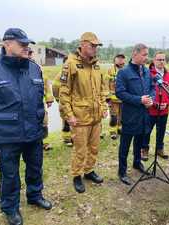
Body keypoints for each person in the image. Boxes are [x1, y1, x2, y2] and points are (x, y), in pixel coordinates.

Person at [0, 28, 52, 225]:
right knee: (9, 174)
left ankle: (34, 195)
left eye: (28, 44)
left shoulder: (34, 68)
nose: (27, 47)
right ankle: (10, 207)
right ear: (7, 44)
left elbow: (38, 97)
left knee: (35, 167)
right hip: (7, 135)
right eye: (22, 44)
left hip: (33, 131)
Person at [59, 32, 108, 193]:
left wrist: (103, 107)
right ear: (83, 44)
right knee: (80, 149)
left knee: (94, 147)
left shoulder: (97, 65)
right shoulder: (71, 64)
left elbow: (102, 89)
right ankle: (77, 175)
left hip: (95, 116)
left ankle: (89, 171)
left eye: (96, 46)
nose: (95, 49)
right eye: (93, 45)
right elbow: (64, 93)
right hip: (79, 118)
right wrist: (69, 115)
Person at [116, 43, 155, 185]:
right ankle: (122, 171)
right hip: (130, 115)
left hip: (144, 115)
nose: (146, 57)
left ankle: (137, 163)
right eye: (144, 54)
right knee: (125, 145)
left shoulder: (146, 72)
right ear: (135, 54)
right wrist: (139, 100)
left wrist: (151, 99)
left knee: (139, 140)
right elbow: (120, 92)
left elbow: (152, 88)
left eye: (147, 54)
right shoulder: (124, 72)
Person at [141, 52, 169, 161]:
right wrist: (155, 104)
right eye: (159, 59)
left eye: (163, 59)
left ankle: (159, 149)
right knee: (147, 131)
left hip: (164, 110)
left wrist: (167, 104)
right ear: (154, 60)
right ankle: (144, 150)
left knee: (161, 131)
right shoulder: (148, 74)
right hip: (150, 110)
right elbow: (145, 91)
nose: (161, 61)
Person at [28, 48, 54, 151]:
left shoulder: (38, 68)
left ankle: (43, 143)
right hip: (28, 103)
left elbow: (46, 83)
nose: (29, 55)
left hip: (39, 102)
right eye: (27, 53)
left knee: (43, 122)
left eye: (30, 53)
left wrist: (49, 98)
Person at [52, 55, 73, 147]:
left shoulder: (74, 73)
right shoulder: (61, 75)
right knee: (66, 121)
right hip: (64, 102)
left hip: (74, 102)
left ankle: (74, 138)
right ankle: (67, 139)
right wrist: (58, 99)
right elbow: (55, 87)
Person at [107, 54, 126, 140]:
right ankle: (113, 132)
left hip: (123, 99)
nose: (120, 61)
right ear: (115, 60)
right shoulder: (110, 71)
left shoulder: (126, 70)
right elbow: (106, 84)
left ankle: (120, 129)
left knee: (122, 116)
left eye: (122, 59)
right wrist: (108, 99)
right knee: (114, 116)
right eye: (118, 59)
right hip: (113, 99)